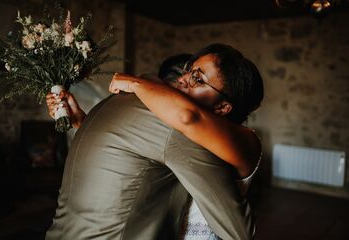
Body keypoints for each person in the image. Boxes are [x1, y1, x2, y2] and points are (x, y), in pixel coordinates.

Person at [45, 43, 263, 240]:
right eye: (188, 70)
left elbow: (187, 118)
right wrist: (84, 122)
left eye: (198, 78)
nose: (182, 79)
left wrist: (139, 82)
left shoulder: (238, 138)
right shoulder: (175, 126)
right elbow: (134, 153)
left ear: (223, 107)